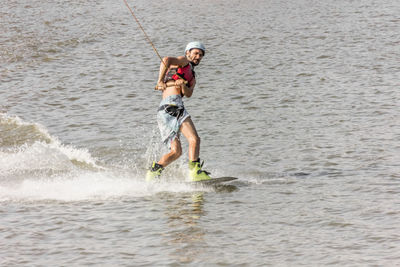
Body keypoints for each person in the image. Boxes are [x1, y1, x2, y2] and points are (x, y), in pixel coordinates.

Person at [146, 41, 211, 182]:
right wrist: (160, 81)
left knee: (177, 152)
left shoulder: (192, 78)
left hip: (164, 111)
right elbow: (166, 60)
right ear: (188, 53)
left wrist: (182, 85)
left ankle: (153, 172)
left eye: (200, 55)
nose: (198, 56)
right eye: (195, 53)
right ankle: (195, 172)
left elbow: (188, 94)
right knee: (194, 139)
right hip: (173, 106)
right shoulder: (183, 62)